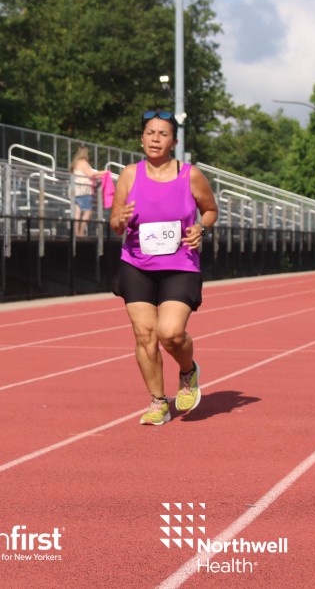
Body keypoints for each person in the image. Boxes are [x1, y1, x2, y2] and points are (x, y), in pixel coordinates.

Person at [110, 110, 219, 426]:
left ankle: (188, 372)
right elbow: (115, 223)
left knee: (170, 333)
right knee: (144, 335)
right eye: (150, 133)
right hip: (136, 263)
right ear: (141, 138)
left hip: (180, 263)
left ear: (173, 141)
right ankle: (158, 402)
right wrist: (121, 220)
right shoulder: (129, 174)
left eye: (162, 134)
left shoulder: (190, 175)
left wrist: (201, 227)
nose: (155, 139)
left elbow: (210, 210)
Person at [70, 146, 103, 237]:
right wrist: (103, 173)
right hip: (83, 190)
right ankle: (80, 233)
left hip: (75, 190)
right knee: (88, 212)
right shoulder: (83, 162)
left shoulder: (75, 163)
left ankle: (76, 233)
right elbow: (90, 174)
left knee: (77, 213)